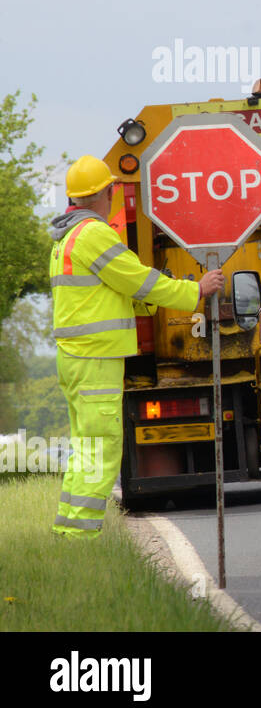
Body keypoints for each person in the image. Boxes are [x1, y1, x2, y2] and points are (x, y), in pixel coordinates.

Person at [49, 155, 223, 538]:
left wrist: (151, 295)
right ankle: (81, 537)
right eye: (111, 189)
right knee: (103, 449)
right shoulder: (94, 234)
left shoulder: (67, 238)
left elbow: (117, 291)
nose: (113, 194)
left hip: (77, 358)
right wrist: (194, 291)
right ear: (103, 193)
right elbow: (138, 280)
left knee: (86, 446)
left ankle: (69, 533)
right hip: (95, 359)